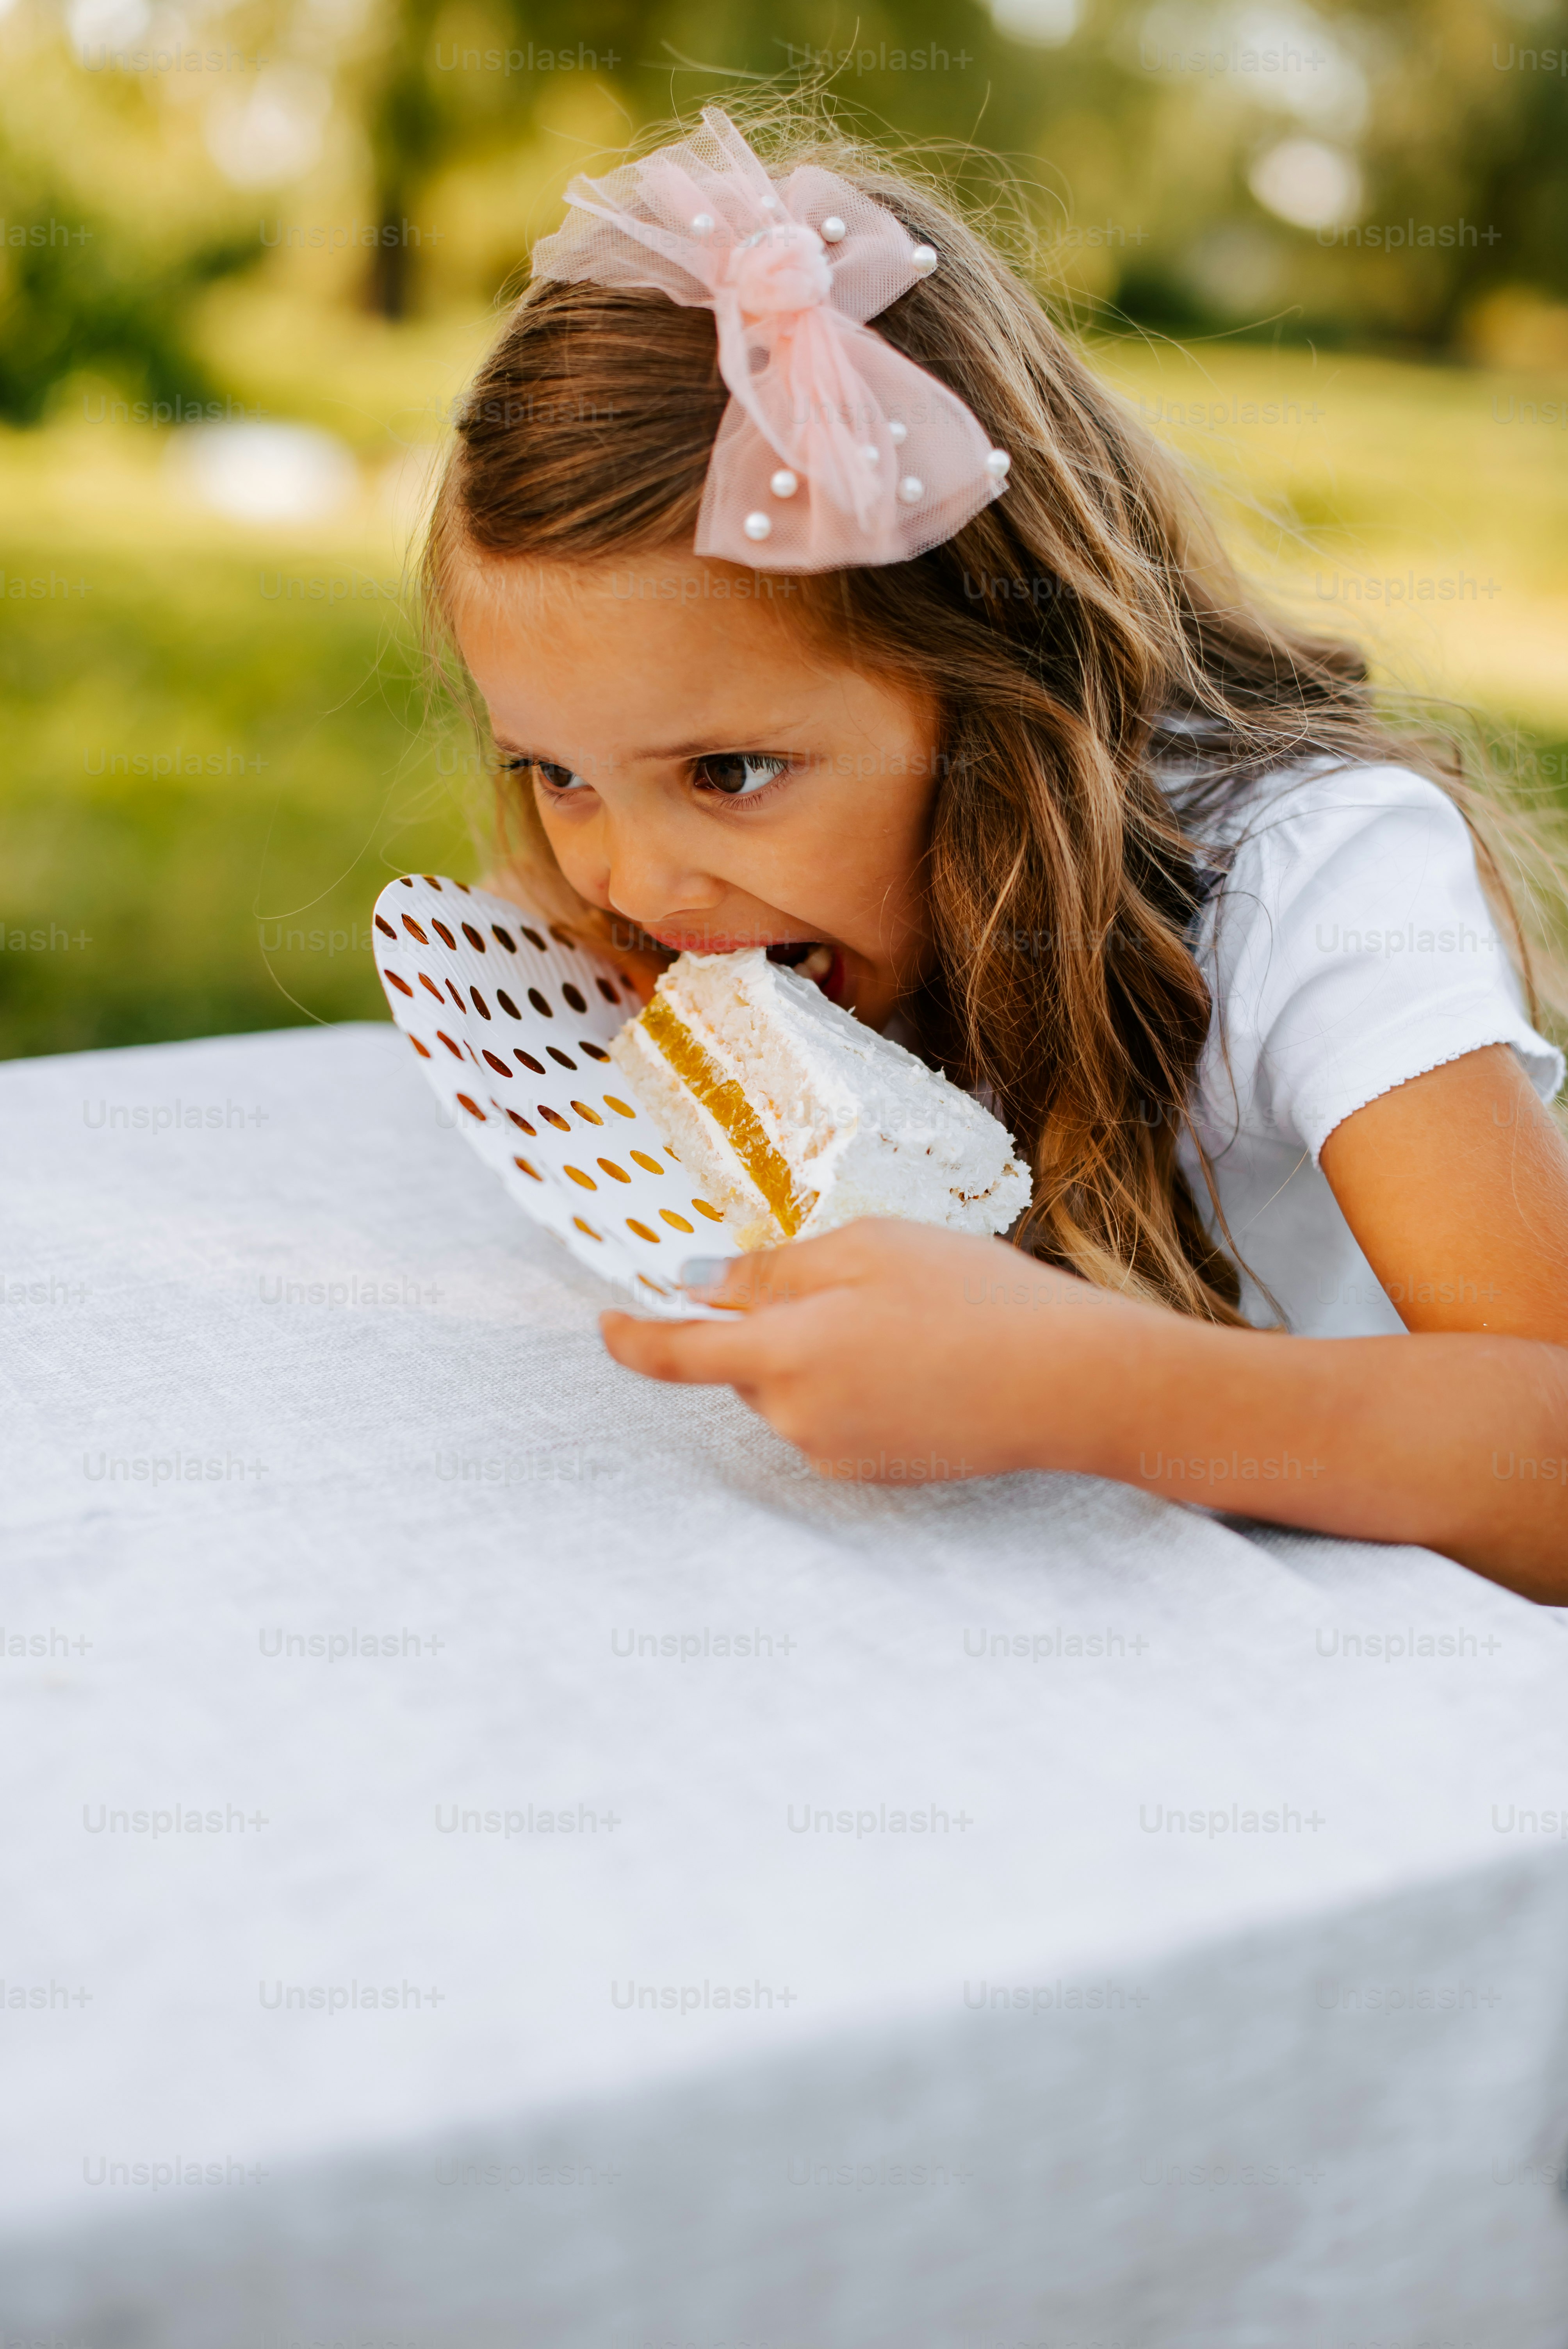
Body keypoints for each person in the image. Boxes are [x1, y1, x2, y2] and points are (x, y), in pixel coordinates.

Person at [423, 106, 1568, 1596]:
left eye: (730, 771)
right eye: (555, 773)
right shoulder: (735, 908)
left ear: (990, 687)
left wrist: (1090, 1387)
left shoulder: (1311, 885)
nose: (632, 885)